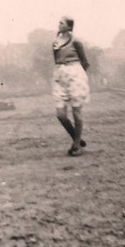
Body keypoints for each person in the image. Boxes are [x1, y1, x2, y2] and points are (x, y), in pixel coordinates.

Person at [52, 16, 90, 156]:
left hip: (75, 74)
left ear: (68, 26)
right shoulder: (55, 42)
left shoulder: (76, 41)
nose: (59, 24)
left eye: (62, 23)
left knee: (76, 111)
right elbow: (56, 60)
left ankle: (76, 146)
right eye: (59, 22)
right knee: (60, 114)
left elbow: (85, 62)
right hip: (60, 75)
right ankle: (77, 138)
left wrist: (79, 77)